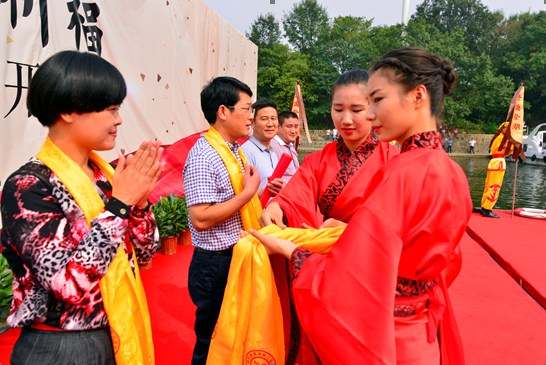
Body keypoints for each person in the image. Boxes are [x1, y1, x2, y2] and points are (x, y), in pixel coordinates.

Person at [249, 47, 472, 364]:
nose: (363, 116)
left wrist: (293, 252)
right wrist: (281, 205)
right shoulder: (451, 170)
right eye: (339, 109)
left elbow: (356, 273)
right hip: (420, 323)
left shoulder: (400, 169)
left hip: (377, 322)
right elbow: (447, 256)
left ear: (418, 96)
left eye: (375, 101)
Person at [0, 51, 162, 365]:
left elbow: (144, 256)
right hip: (62, 346)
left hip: (116, 329)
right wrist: (120, 206)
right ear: (68, 110)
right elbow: (67, 285)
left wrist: (139, 205)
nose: (119, 120)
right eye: (111, 110)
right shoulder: (28, 186)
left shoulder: (107, 176)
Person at [259, 69, 399, 364]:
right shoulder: (318, 159)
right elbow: (296, 192)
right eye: (338, 110)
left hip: (369, 266)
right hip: (327, 263)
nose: (346, 119)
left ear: (373, 110)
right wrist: (277, 207)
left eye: (357, 110)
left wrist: (353, 228)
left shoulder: (394, 162)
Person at [183, 76, 262, 365]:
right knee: (213, 338)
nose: (251, 117)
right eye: (246, 108)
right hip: (216, 264)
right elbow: (201, 218)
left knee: (233, 335)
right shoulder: (205, 156)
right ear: (223, 111)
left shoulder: (233, 152)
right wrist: (248, 193)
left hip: (234, 256)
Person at [241, 99, 284, 198]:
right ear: (252, 123)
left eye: (273, 118)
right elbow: (239, 195)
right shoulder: (246, 152)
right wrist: (265, 192)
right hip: (257, 213)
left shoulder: (272, 153)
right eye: (264, 119)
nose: (270, 124)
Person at [480, 122, 513, 218]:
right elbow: (507, 152)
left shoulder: (500, 138)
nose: (508, 130)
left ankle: (485, 206)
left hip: (496, 162)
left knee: (489, 185)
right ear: (502, 128)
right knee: (494, 186)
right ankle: (487, 208)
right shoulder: (501, 139)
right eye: (506, 128)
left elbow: (506, 152)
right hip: (498, 163)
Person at [270, 110, 300, 184]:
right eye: (289, 127)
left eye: (296, 127)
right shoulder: (272, 147)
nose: (293, 131)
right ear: (278, 127)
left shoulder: (291, 148)